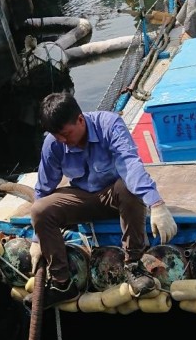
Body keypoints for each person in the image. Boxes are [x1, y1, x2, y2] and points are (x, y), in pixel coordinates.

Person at [29, 92, 178, 308]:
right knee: (40, 210)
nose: (62, 140)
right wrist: (37, 239)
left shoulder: (109, 125)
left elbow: (130, 164)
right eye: (57, 135)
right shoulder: (53, 144)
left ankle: (134, 264)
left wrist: (156, 204)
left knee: (129, 186)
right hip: (81, 195)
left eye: (65, 134)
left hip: (115, 195)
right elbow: (43, 188)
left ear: (80, 120)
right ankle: (61, 283)